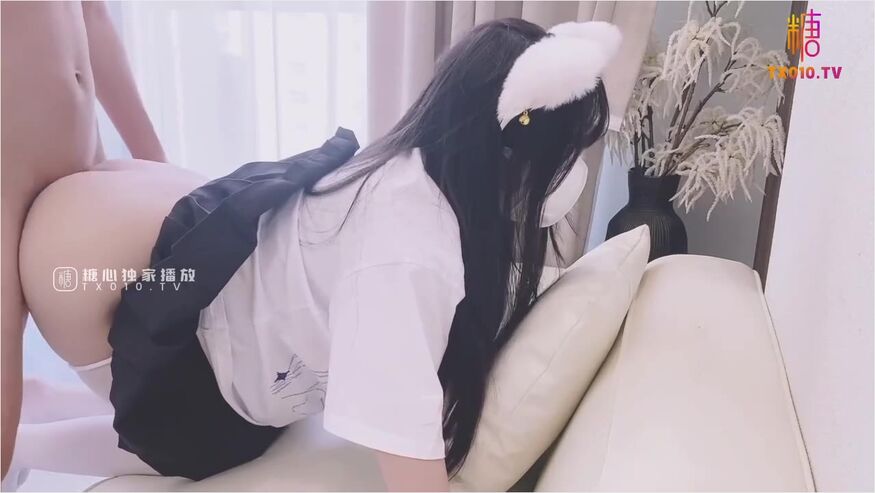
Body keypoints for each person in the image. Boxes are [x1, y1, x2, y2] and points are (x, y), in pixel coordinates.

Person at [10, 18, 620, 491]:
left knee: (221, 425)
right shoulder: (411, 250)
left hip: (137, 220)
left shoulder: (409, 177)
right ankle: (22, 440)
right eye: (568, 157)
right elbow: (410, 461)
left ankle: (40, 408)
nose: (573, 177)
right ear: (512, 155)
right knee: (194, 436)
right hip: (88, 261)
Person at [0, 1, 167, 484]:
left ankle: (37, 413)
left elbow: (91, 13)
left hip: (82, 156)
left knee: (164, 382)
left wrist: (154, 162)